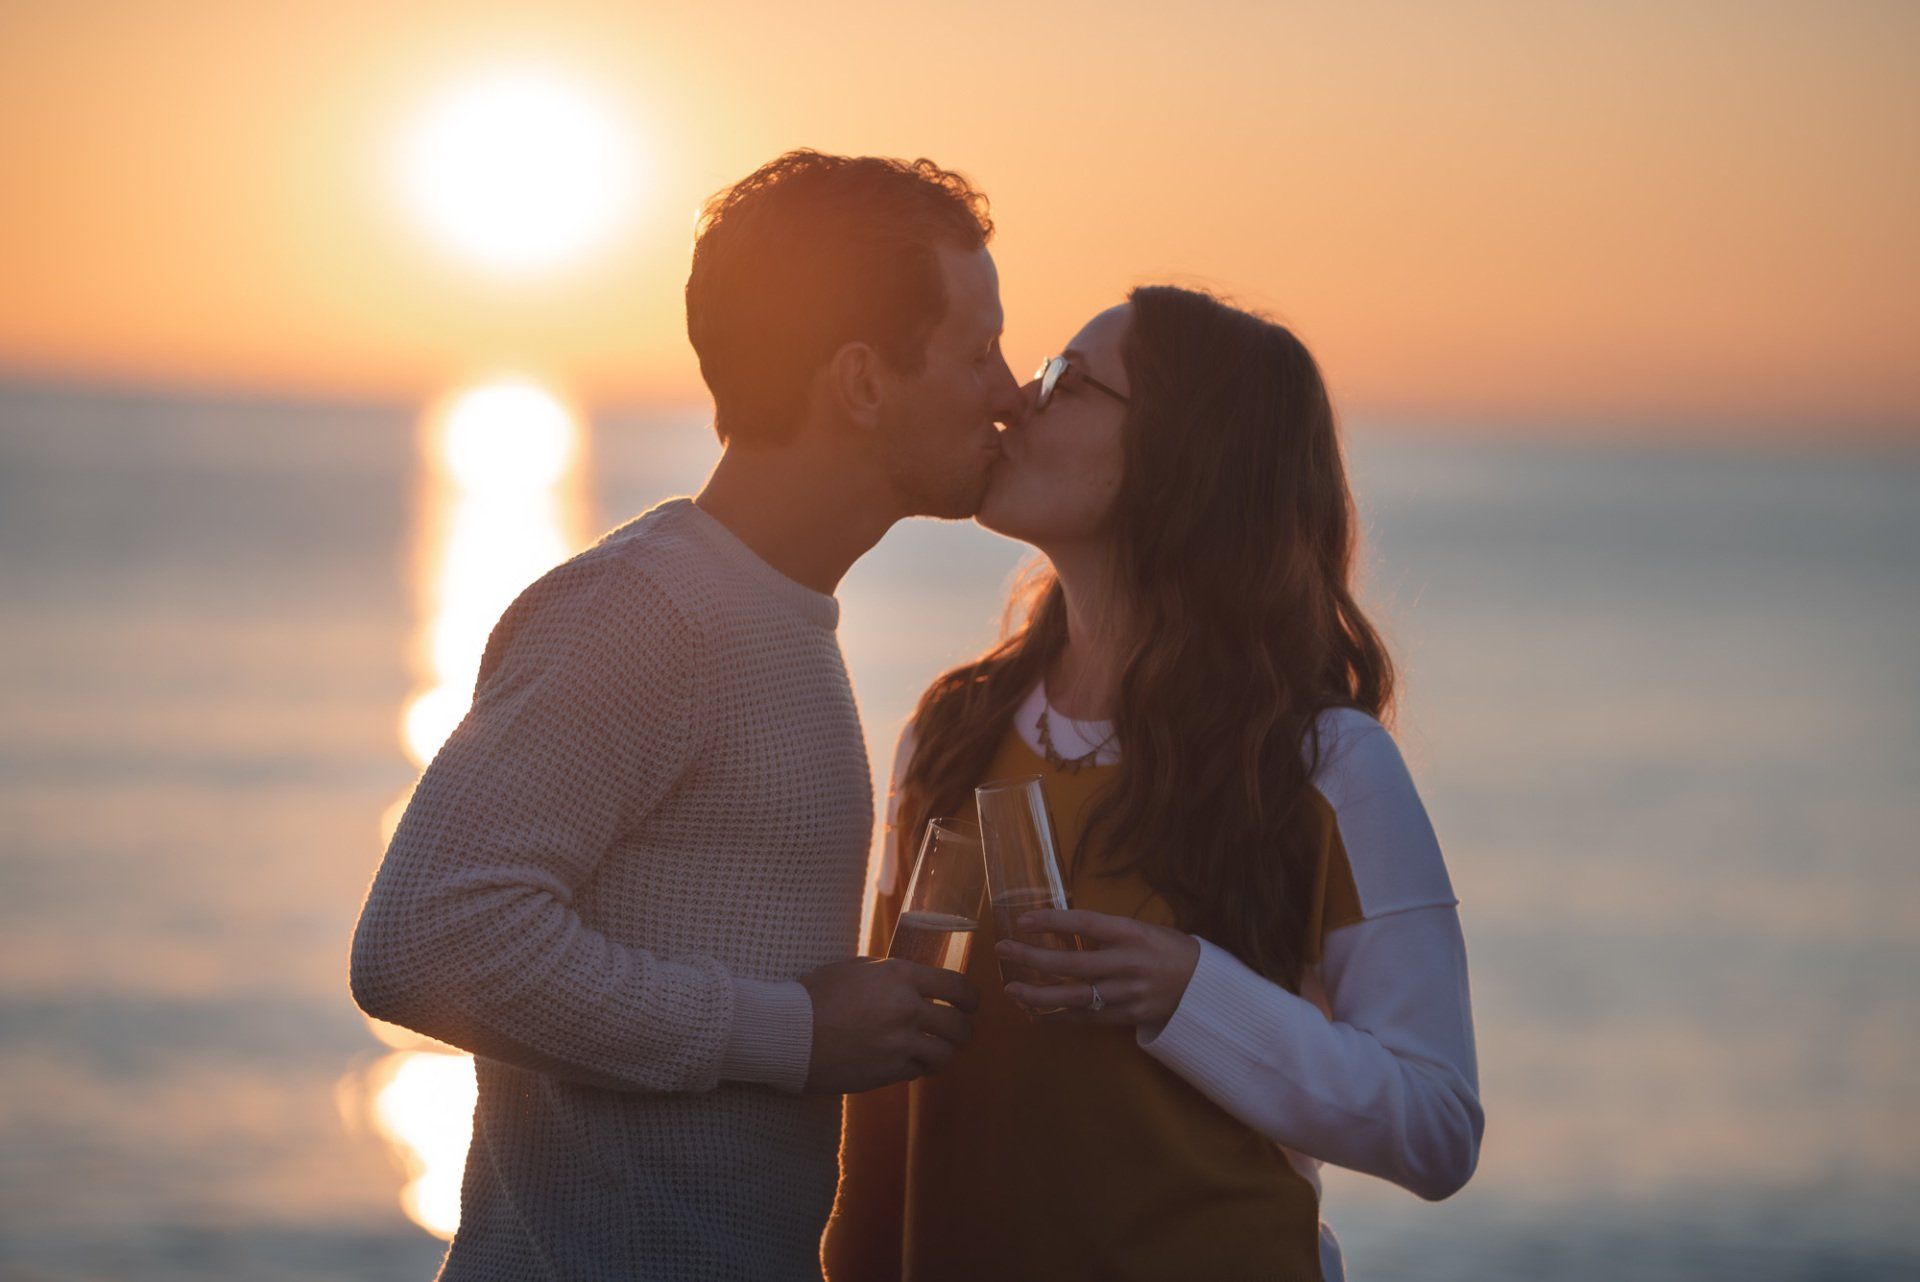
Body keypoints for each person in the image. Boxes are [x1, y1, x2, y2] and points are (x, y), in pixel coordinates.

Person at [349, 149, 1025, 1281]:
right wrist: (794, 1034)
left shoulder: (775, 615)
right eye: (977, 351)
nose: (1009, 392)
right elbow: (427, 939)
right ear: (861, 382)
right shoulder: (643, 612)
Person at [825, 286, 1483, 1281]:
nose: (1018, 404)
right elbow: (880, 1097)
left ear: (1189, 459)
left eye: (1070, 383)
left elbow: (1435, 1126)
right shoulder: (951, 731)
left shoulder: (1324, 763)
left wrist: (1190, 990)